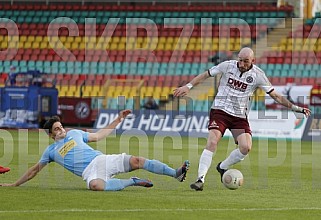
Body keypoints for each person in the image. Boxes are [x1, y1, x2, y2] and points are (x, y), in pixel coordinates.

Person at [173, 47, 311, 191]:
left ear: (252, 61)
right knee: (212, 142)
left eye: (246, 61)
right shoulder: (227, 65)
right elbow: (206, 74)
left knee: (246, 147)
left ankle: (222, 167)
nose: (242, 64)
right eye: (240, 60)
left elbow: (275, 96)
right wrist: (188, 86)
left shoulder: (258, 75)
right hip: (220, 111)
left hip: (239, 116)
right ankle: (200, 179)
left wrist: (295, 108)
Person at [0, 109, 190, 191]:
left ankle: (176, 173)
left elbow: (99, 136)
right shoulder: (50, 151)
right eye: (57, 129)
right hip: (89, 172)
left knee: (137, 161)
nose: (61, 130)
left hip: (101, 160)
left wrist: (118, 119)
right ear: (51, 135)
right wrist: (14, 185)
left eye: (61, 126)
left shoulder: (75, 133)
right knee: (95, 186)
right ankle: (132, 182)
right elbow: (34, 170)